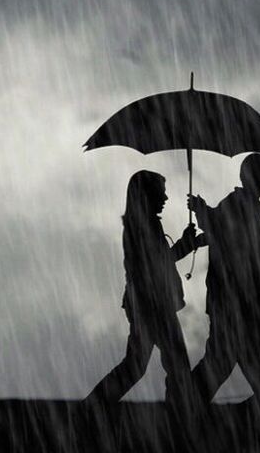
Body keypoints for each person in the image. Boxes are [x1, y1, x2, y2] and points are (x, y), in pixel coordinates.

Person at [87, 171, 205, 408]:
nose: (166, 198)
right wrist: (188, 243)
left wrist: (187, 243)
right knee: (173, 364)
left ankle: (95, 405)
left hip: (145, 303)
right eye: (161, 192)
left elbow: (159, 260)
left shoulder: (140, 223)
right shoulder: (144, 226)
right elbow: (160, 262)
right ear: (148, 195)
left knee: (140, 364)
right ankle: (181, 412)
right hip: (152, 304)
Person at [186, 154, 260, 410]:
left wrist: (203, 211)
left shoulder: (246, 206)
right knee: (247, 361)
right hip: (238, 300)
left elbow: (220, 231)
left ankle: (185, 402)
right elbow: (221, 229)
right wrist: (202, 210)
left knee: (224, 359)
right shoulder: (238, 204)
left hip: (237, 300)